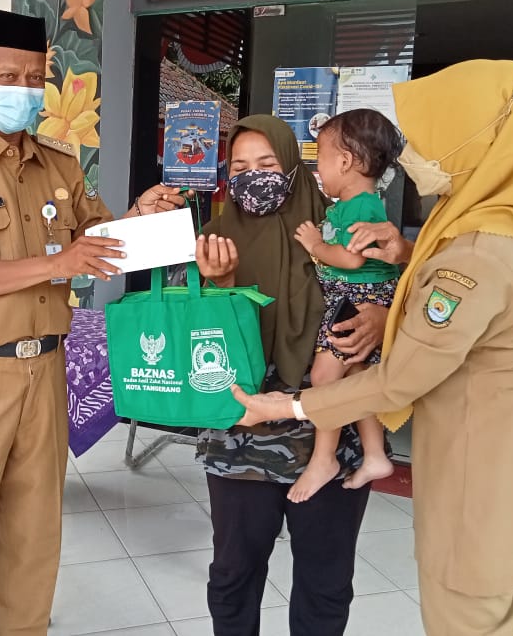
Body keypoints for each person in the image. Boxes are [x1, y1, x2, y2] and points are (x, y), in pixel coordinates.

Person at [229, 60, 513, 636]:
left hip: (482, 481)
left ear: (476, 139)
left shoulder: (476, 254)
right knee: (507, 617)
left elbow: (400, 377)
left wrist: (287, 406)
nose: (415, 154)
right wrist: (406, 256)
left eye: (433, 134)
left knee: (471, 619)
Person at [0, 8, 186, 636]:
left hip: (44, 374)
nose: (24, 91)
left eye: (35, 78)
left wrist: (141, 215)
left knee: (34, 545)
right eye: (9, 76)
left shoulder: (59, 160)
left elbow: (98, 241)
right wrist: (58, 261)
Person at [194, 113, 389, 636]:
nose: (253, 176)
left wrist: (383, 318)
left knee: (325, 582)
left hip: (332, 430)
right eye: (239, 166)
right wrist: (222, 284)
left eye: (267, 163)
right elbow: (198, 341)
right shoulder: (214, 236)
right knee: (233, 574)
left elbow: (393, 287)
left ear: (294, 167)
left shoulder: (339, 221)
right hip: (240, 432)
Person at [289, 108, 401, 502]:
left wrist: (315, 245)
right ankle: (373, 455)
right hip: (351, 297)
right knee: (355, 376)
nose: (318, 167)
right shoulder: (346, 205)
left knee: (324, 377)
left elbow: (353, 259)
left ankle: (325, 458)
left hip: (356, 300)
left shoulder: (363, 207)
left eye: (320, 156)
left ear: (346, 161)